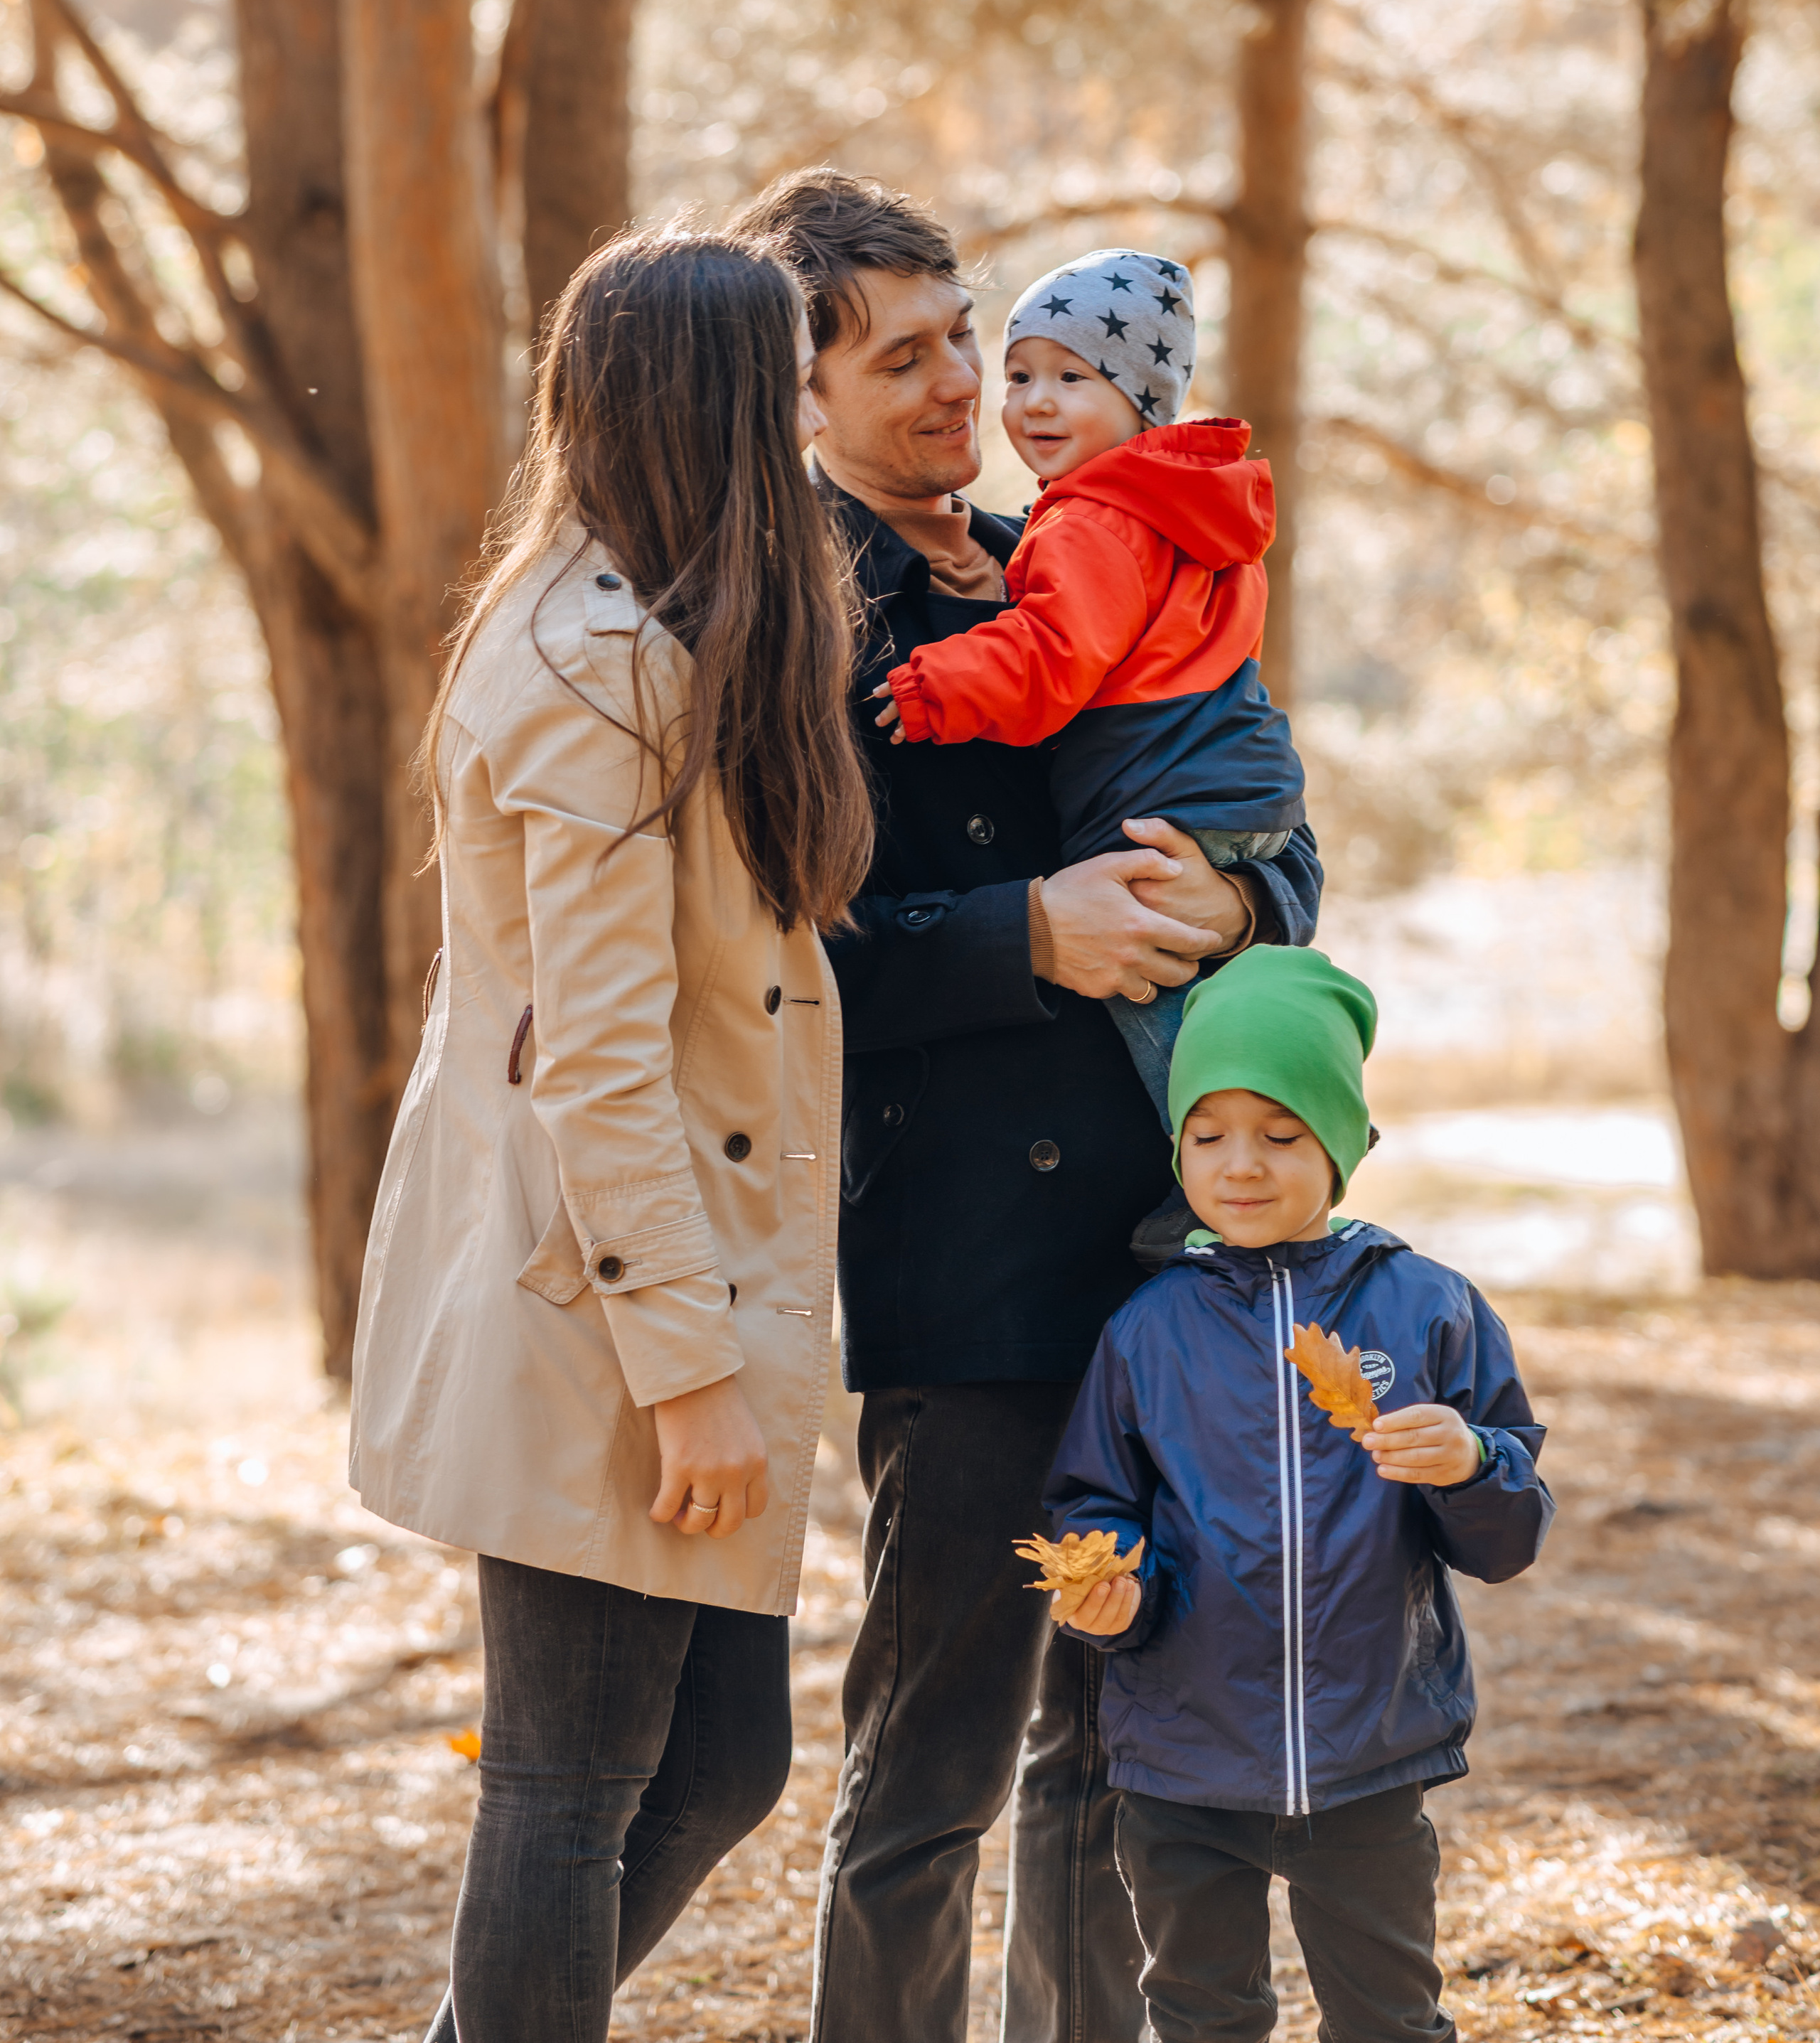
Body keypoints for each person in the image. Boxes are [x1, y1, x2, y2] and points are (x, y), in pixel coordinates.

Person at [732, 169, 1323, 2043]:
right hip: (960, 1267)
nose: (959, 381)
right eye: (900, 354)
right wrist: (1027, 936)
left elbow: (1255, 806)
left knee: (1115, 1751)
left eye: (967, 335)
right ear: (797, 390)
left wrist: (1244, 901)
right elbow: (771, 967)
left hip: (1166, 1256)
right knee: (931, 1773)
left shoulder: (1082, 542)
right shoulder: (777, 627)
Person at [348, 230, 875, 2042]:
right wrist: (687, 1367)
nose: (812, 417)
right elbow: (596, 1048)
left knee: (721, 1755)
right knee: (565, 1787)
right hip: (598, 1296)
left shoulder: (630, 622)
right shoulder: (594, 668)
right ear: (719, 408)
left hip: (622, 1275)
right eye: (791, 383)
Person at [1046, 946, 1553, 2043]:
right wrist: (1112, 1588)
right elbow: (1094, 1501)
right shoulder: (1146, 1331)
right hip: (1184, 1758)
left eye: (1280, 1133)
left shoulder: (1426, 1309)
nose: (1240, 1165)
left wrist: (1471, 1460)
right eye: (1207, 1133)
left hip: (1367, 1754)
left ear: (1344, 1144)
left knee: (1388, 2019)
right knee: (1199, 2011)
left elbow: (1509, 1535)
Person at [874, 245, 1307, 1124]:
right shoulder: (1183, 511)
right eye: (1021, 372)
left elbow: (1048, 661)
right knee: (1232, 1001)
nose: (1032, 400)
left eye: (1072, 377)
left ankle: (1212, 1174)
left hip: (1156, 792)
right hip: (1236, 787)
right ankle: (1297, 1120)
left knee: (1158, 1015)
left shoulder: (1090, 525)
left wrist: (933, 687)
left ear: (1140, 398)